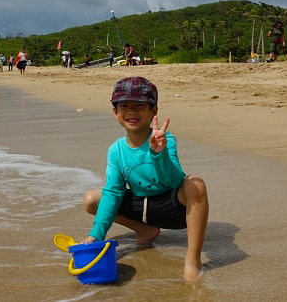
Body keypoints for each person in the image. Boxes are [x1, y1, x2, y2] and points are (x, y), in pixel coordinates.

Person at [80, 77, 208, 281]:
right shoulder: (116, 151)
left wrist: (159, 154)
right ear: (115, 112)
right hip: (143, 209)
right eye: (124, 106)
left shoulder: (166, 139)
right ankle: (145, 230)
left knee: (196, 184)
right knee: (92, 199)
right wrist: (96, 235)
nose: (131, 111)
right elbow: (114, 192)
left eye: (139, 105)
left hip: (173, 208)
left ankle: (192, 260)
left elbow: (175, 182)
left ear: (153, 111)